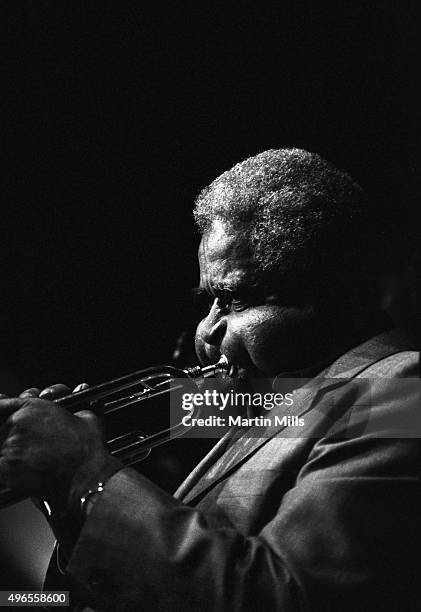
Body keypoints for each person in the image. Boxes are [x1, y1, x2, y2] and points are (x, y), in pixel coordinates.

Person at [0, 149, 419, 611]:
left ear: (336, 290)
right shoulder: (272, 404)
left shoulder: (402, 389)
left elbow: (281, 598)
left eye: (236, 299)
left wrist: (82, 471)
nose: (205, 331)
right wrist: (64, 501)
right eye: (209, 301)